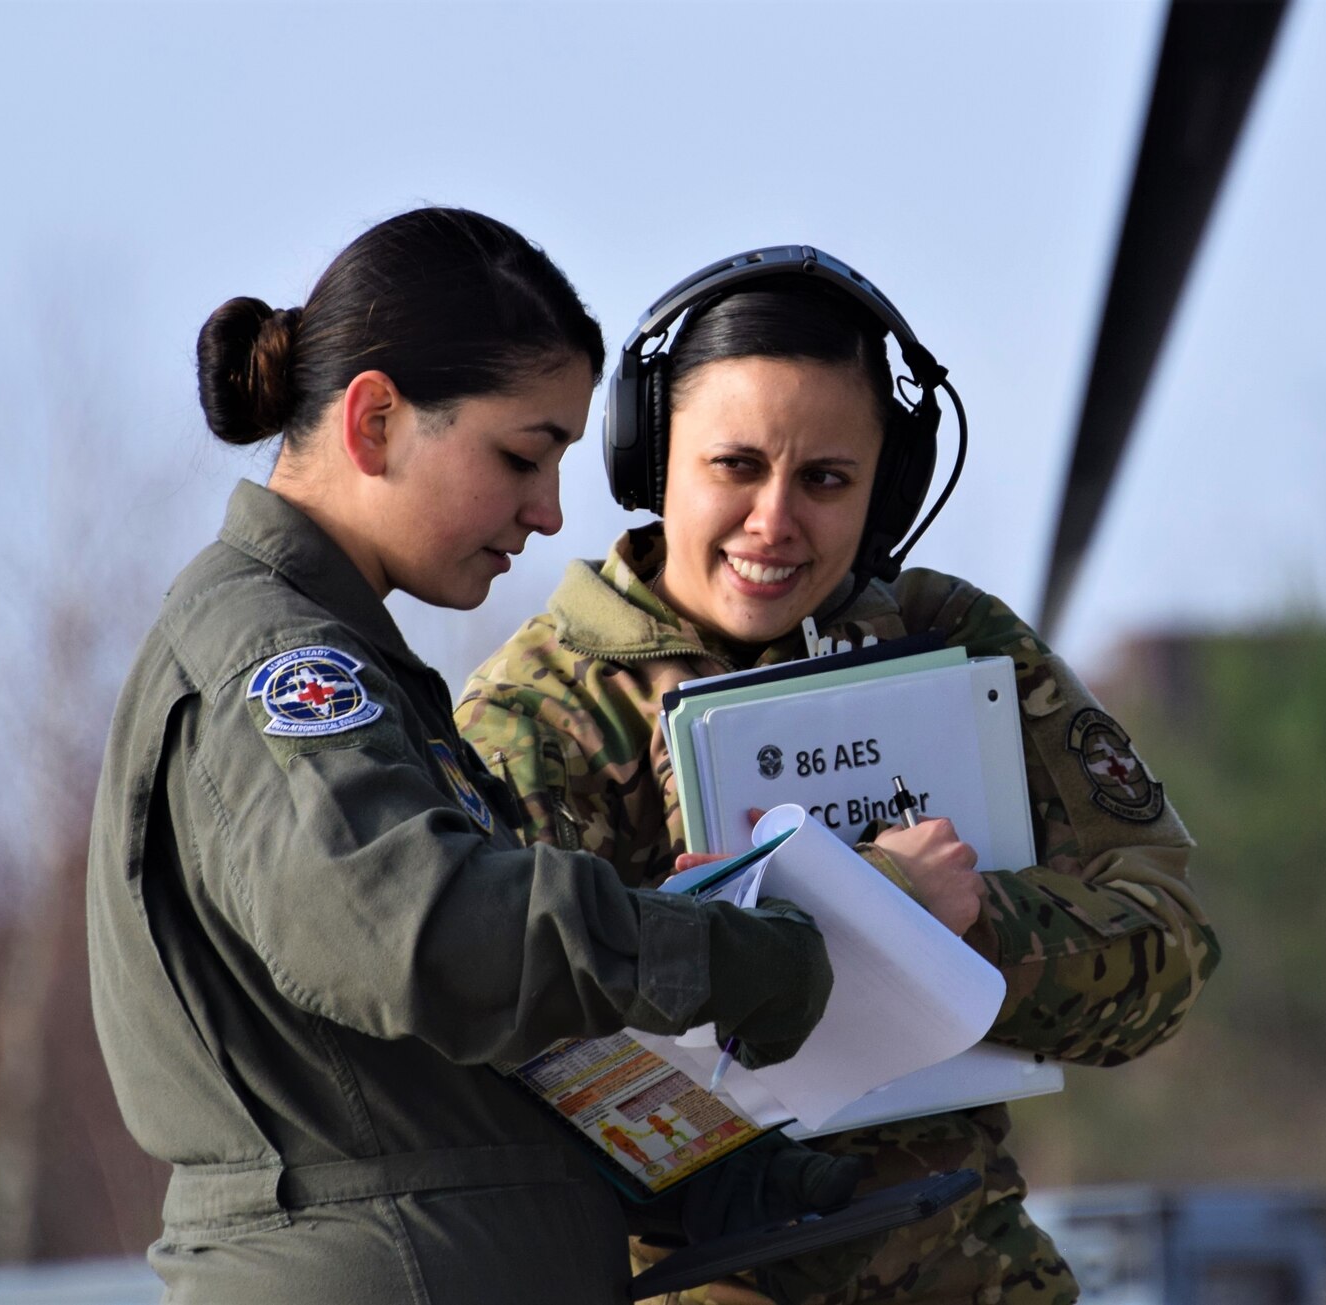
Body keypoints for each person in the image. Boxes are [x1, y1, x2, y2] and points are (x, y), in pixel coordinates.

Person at [87, 210, 869, 1305]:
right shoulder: (280, 666)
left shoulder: (348, 659)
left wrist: (690, 1173)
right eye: (520, 455)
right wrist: (717, 954)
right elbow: (418, 933)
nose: (549, 513)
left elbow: (414, 1071)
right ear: (373, 420)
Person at [456, 248, 1223, 1305]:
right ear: (651, 459)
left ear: (886, 485)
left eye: (825, 480)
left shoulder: (950, 641)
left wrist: (972, 928)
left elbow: (1167, 949)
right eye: (735, 467)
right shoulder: (535, 717)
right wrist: (856, 922)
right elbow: (523, 1071)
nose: (775, 521)